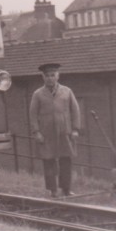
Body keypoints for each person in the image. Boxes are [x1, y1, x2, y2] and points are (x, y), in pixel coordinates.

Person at [29, 63, 81, 198]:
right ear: (43, 77)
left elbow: (75, 111)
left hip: (65, 132)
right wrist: (36, 132)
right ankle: (53, 190)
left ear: (58, 76)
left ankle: (66, 189)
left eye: (53, 75)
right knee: (49, 161)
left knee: (66, 160)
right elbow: (33, 115)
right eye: (47, 76)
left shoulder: (67, 91)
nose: (50, 78)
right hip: (47, 134)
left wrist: (75, 129)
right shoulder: (38, 94)